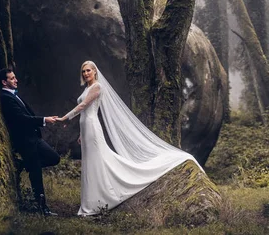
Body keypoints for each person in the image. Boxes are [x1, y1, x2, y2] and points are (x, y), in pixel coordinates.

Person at [56, 61, 202, 216]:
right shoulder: (87, 88)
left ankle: (102, 198)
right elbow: (86, 113)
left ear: (95, 72)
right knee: (91, 161)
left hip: (92, 128)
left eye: (88, 71)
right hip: (86, 128)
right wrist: (81, 133)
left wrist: (65, 117)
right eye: (83, 71)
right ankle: (92, 200)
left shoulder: (97, 87)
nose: (85, 74)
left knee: (97, 160)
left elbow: (84, 106)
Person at [0, 68, 60, 216]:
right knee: (36, 174)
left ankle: (22, 165)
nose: (16, 80)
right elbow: (21, 119)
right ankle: (43, 208)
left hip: (34, 138)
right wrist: (44, 120)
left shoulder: (14, 95)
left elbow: (27, 114)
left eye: (15, 77)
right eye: (12, 79)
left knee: (54, 158)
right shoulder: (5, 98)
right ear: (4, 82)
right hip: (25, 141)